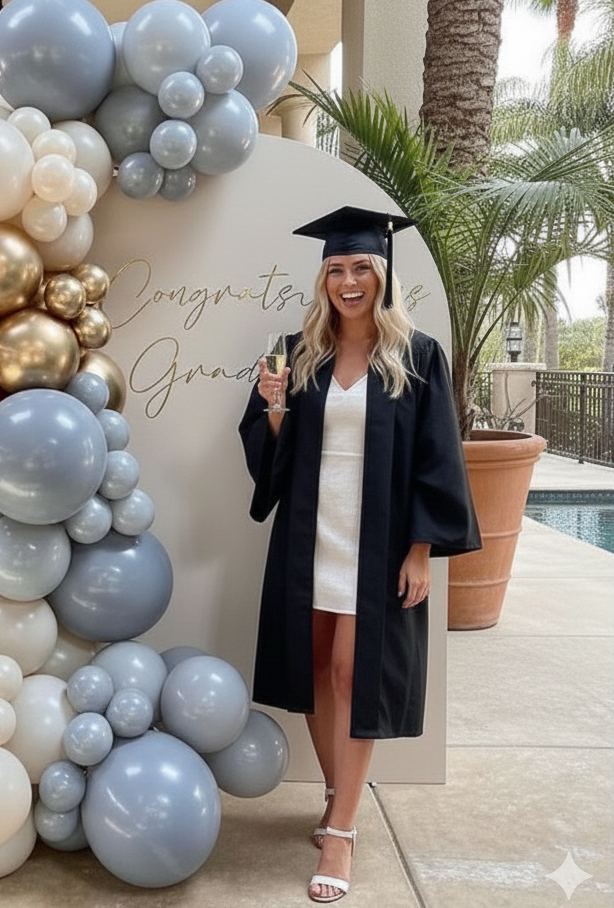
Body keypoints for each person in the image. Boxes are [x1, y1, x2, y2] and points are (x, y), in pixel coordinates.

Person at [238, 206, 481, 903]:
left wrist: (420, 550)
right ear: (324, 279)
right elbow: (270, 453)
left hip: (377, 544)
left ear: (382, 274)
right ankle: (336, 794)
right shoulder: (294, 351)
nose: (348, 282)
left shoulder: (418, 355)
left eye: (360, 268)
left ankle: (340, 832)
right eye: (336, 269)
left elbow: (438, 458)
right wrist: (274, 408)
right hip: (310, 538)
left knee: (355, 675)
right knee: (316, 670)